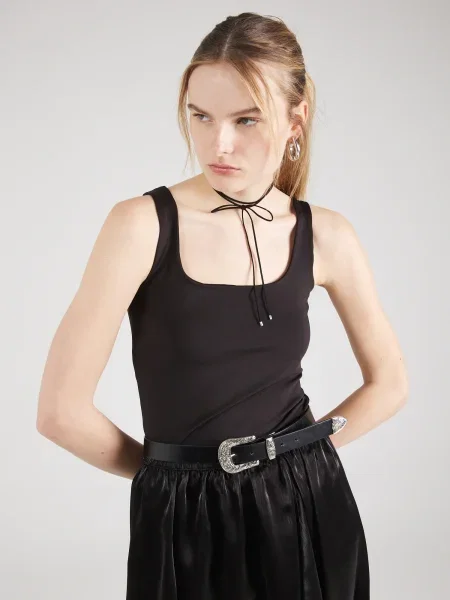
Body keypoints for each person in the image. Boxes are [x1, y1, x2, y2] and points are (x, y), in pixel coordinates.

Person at [36, 11, 408, 600]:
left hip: (309, 508)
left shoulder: (327, 234)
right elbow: (59, 412)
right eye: (201, 116)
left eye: (246, 119)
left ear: (295, 120)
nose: (219, 144)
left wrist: (292, 459)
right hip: (182, 518)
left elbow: (390, 382)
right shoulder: (140, 226)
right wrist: (171, 475)